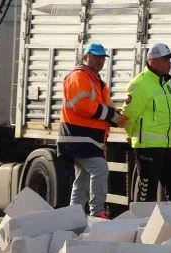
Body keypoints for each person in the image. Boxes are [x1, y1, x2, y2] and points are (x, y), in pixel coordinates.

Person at [58, 43, 126, 219]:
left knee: (82, 180)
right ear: (85, 57)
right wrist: (111, 115)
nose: (100, 61)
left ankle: (73, 217)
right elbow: (82, 105)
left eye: (102, 57)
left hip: (88, 139)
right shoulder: (78, 76)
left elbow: (105, 107)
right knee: (99, 169)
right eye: (96, 57)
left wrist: (118, 116)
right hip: (78, 137)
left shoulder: (98, 82)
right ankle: (97, 212)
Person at [121, 43, 171, 202]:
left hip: (165, 146)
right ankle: (141, 224)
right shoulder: (139, 84)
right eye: (166, 59)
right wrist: (132, 136)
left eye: (170, 59)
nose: (170, 63)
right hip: (147, 147)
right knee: (147, 192)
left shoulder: (164, 83)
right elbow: (128, 116)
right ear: (153, 61)